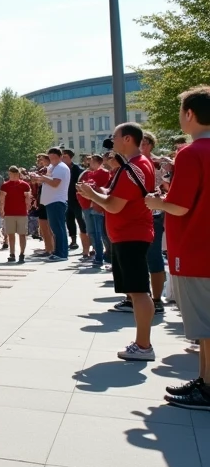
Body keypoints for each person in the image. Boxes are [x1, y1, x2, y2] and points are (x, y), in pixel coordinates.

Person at [148, 87, 210, 409]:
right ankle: (204, 380)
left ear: (189, 114)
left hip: (197, 250)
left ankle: (208, 387)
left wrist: (155, 200)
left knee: (205, 326)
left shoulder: (191, 153)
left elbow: (181, 206)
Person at [77, 123, 156, 361]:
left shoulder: (134, 167)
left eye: (115, 137)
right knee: (137, 291)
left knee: (139, 292)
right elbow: (117, 199)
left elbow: (114, 204)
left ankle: (143, 345)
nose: (112, 141)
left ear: (128, 139)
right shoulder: (135, 166)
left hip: (131, 234)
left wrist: (92, 195)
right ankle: (142, 343)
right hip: (129, 233)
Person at [141, 131, 168, 311]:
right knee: (140, 256)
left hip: (154, 213)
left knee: (154, 254)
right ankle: (141, 296)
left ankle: (157, 298)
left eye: (142, 143)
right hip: (138, 213)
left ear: (150, 144)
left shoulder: (159, 163)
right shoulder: (132, 163)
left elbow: (166, 187)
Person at [30, 148, 71, 262]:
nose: (52, 159)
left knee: (59, 229)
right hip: (50, 201)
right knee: (55, 229)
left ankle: (61, 254)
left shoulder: (61, 167)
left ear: (60, 157)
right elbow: (46, 181)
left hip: (57, 201)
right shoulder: (52, 167)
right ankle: (57, 252)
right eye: (50, 157)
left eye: (54, 157)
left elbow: (55, 183)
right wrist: (37, 178)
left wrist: (43, 178)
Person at [78, 154, 111, 268]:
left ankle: (103, 256)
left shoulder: (104, 173)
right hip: (87, 205)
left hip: (97, 205)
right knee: (91, 232)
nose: (89, 163)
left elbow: (101, 187)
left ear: (97, 162)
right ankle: (98, 255)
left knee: (99, 233)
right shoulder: (87, 173)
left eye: (91, 161)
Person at [0, 166, 31, 262]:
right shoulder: (5, 185)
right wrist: (1, 210)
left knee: (22, 234)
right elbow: (2, 199)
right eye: (12, 173)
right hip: (9, 213)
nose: (14, 175)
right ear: (9, 174)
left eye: (16, 173)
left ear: (18, 174)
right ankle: (12, 253)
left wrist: (27, 207)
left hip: (22, 213)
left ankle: (22, 253)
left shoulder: (25, 185)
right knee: (11, 234)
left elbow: (28, 199)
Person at [62, 148, 86, 255]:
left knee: (81, 221)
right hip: (66, 199)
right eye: (62, 156)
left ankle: (86, 242)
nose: (63, 158)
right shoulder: (61, 169)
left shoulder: (78, 169)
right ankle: (73, 240)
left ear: (70, 157)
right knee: (69, 220)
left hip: (77, 199)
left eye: (65, 156)